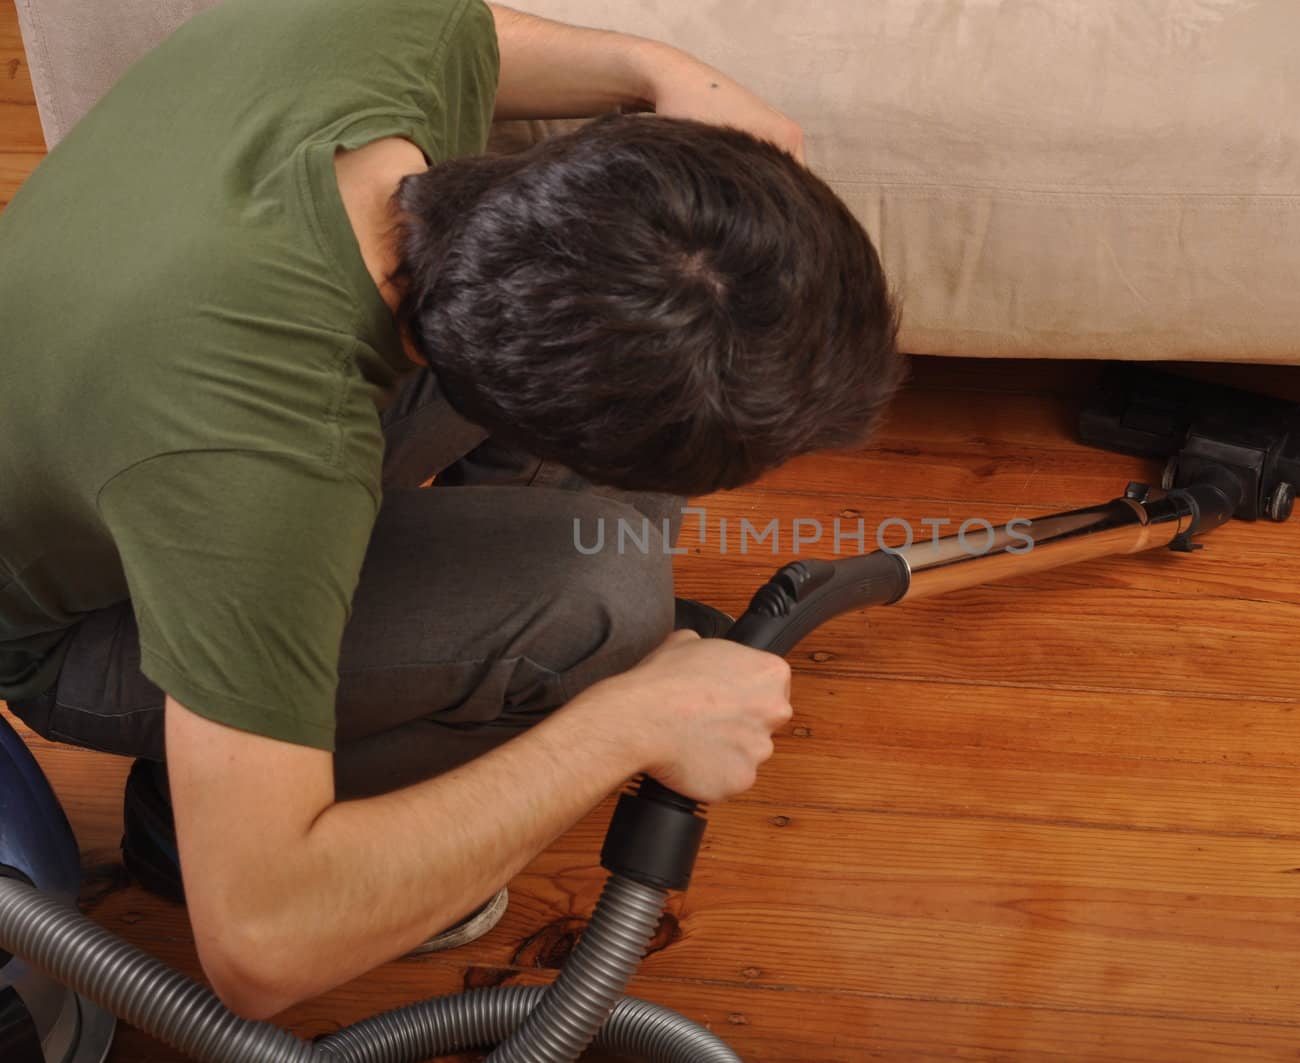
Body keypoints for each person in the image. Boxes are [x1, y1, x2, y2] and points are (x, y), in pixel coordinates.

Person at [0, 0, 902, 1019]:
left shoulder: (376, 34)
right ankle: (217, 804)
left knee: (667, 353)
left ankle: (294, 734)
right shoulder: (254, 467)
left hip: (139, 412)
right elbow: (260, 943)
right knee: (599, 598)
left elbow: (471, 28)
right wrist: (626, 722)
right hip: (64, 617)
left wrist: (655, 70)